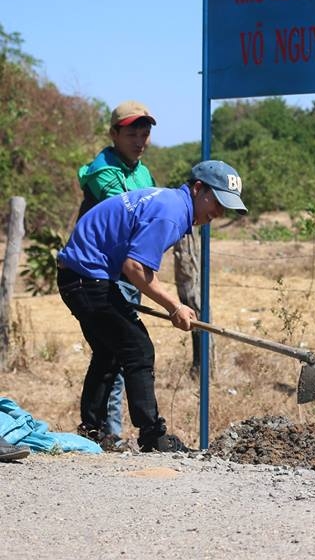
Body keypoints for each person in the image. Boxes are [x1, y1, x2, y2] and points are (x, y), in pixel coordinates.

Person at [57, 160, 248, 453]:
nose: (219, 213)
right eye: (217, 202)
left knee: (110, 352)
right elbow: (135, 268)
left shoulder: (171, 203)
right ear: (199, 189)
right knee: (138, 348)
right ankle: (152, 437)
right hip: (86, 277)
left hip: (83, 275)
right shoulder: (171, 214)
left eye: (226, 207)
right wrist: (175, 306)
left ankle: (91, 432)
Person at [75, 100, 158, 449]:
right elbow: (129, 213)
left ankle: (98, 431)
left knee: (113, 352)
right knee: (122, 349)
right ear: (114, 134)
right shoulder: (104, 169)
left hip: (124, 270)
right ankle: (109, 432)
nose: (139, 140)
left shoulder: (142, 171)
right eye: (131, 132)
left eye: (145, 132)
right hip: (99, 273)